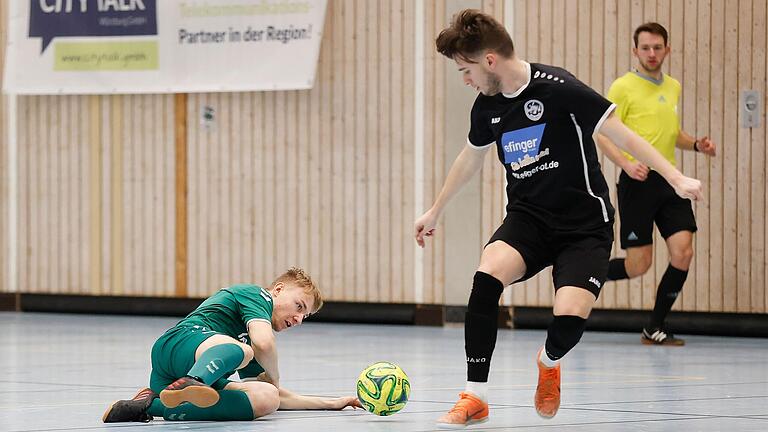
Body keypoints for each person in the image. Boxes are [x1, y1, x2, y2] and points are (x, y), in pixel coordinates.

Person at [414, 9, 703, 427]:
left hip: (585, 225)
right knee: (485, 279)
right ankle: (475, 395)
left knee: (568, 322)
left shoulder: (559, 87)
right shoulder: (487, 107)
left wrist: (674, 177)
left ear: (490, 61)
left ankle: (548, 362)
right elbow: (470, 158)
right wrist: (435, 209)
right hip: (528, 219)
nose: (466, 79)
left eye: (466, 70)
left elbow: (621, 132)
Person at [102, 267, 360, 423]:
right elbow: (263, 344)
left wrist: (333, 403)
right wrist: (274, 376)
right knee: (245, 351)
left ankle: (149, 404)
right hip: (178, 345)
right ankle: (195, 381)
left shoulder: (254, 337)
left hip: (168, 381)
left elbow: (278, 394)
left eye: (306, 316)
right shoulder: (256, 296)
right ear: (278, 290)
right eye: (299, 306)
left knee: (266, 398)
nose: (299, 319)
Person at [597, 23, 716, 346]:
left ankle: (654, 327)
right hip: (637, 183)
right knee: (639, 266)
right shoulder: (623, 87)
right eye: (645, 48)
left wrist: (695, 145)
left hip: (670, 182)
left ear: (667, 49)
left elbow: (670, 132)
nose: (652, 53)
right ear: (635, 51)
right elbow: (601, 133)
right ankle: (582, 274)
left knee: (683, 251)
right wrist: (625, 163)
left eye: (657, 47)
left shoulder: (673, 87)